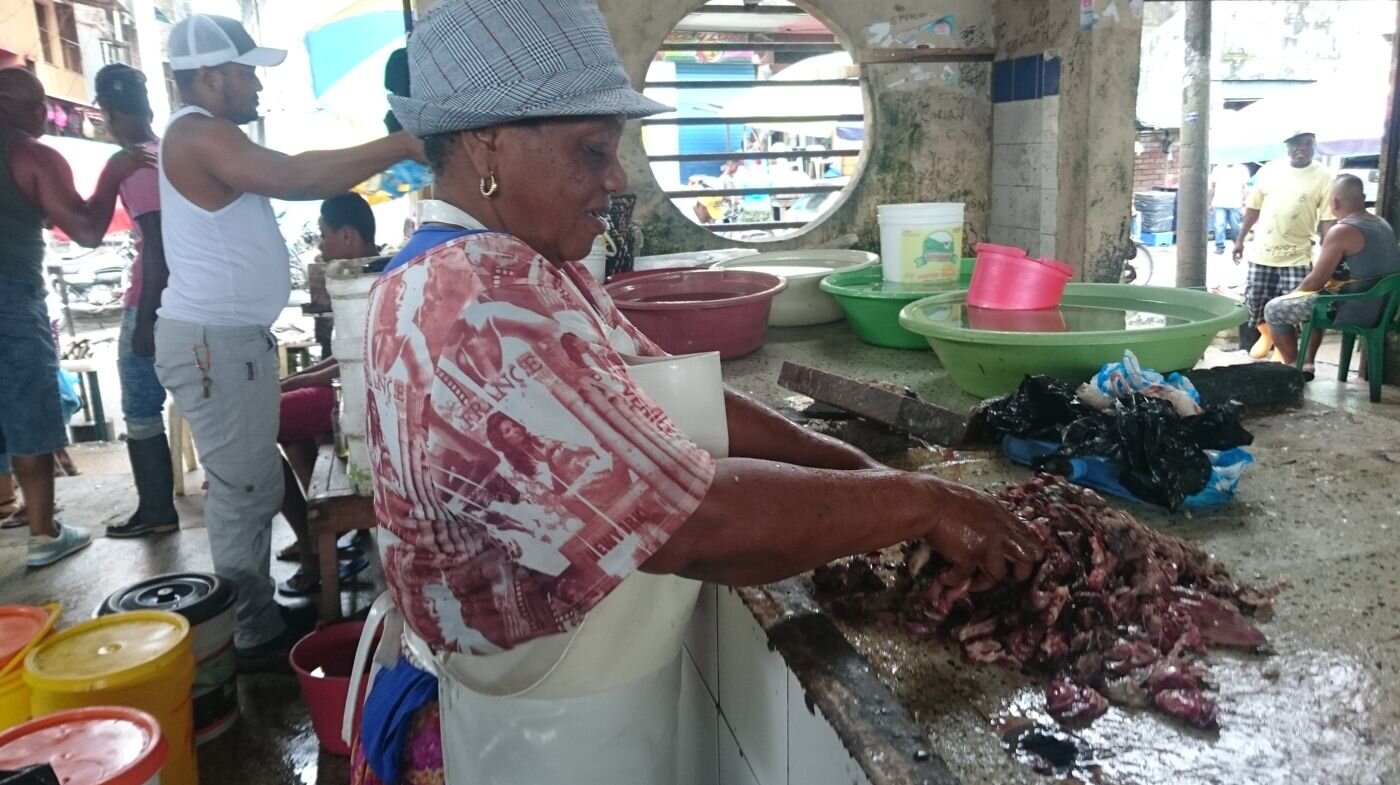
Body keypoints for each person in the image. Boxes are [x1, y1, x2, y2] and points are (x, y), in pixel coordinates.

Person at [348, 2, 1040, 783]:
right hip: (542, 738)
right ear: (488, 142)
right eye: (591, 151)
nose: (615, 180)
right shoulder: (477, 301)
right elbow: (695, 523)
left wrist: (858, 473)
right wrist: (921, 503)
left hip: (583, 707)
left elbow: (683, 398)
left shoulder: (518, 268)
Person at [155, 15, 423, 671]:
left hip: (225, 342)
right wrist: (400, 145)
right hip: (213, 344)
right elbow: (300, 176)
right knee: (241, 492)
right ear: (211, 76)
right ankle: (248, 633)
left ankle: (253, 614)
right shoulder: (196, 133)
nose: (256, 87)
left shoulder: (203, 136)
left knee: (249, 478)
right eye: (246, 73)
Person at [0, 67, 152, 567]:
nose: (45, 113)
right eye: (35, 104)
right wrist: (111, 173)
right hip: (9, 295)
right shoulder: (32, 154)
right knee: (28, 409)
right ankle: (44, 534)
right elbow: (87, 230)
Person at [88, 64, 183, 540]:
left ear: (108, 113)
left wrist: (145, 320)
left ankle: (156, 510)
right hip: (181, 299)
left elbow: (159, 248)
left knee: (141, 409)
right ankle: (156, 508)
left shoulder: (135, 164)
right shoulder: (167, 152)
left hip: (152, 299)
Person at [274, 193, 381, 596]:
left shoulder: (371, 279)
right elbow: (344, 354)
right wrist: (295, 380)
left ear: (348, 236)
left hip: (359, 400)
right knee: (289, 425)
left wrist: (297, 383)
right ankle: (318, 530)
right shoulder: (358, 273)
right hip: (347, 392)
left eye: (323, 236)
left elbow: (361, 359)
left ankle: (311, 545)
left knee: (268, 419)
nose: (320, 246)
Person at [1263, 174, 1400, 376]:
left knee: (1275, 309)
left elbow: (1315, 280)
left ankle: (1294, 367)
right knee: (1314, 300)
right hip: (1385, 308)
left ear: (1334, 203)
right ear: (1362, 197)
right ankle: (1307, 362)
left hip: (1357, 308)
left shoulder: (1342, 230)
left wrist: (1290, 297)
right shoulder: (1382, 224)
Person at [1233, 131, 1335, 360]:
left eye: (1306, 144)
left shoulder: (1324, 176)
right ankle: (1268, 336)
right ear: (1288, 147)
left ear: (1314, 146)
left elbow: (1328, 220)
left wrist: (1328, 254)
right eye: (1295, 144)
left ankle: (1284, 350)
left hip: (1297, 254)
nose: (1300, 149)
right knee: (1255, 301)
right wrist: (1239, 239)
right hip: (1262, 253)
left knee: (1294, 306)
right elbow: (1253, 207)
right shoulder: (1269, 171)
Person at [1208, 162, 1248, 255]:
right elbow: (1212, 187)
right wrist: (1209, 203)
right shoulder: (1217, 169)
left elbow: (1244, 188)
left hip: (1235, 203)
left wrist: (1245, 203)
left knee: (1235, 227)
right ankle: (1219, 247)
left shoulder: (1241, 169)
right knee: (1219, 225)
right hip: (1219, 203)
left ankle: (1236, 244)